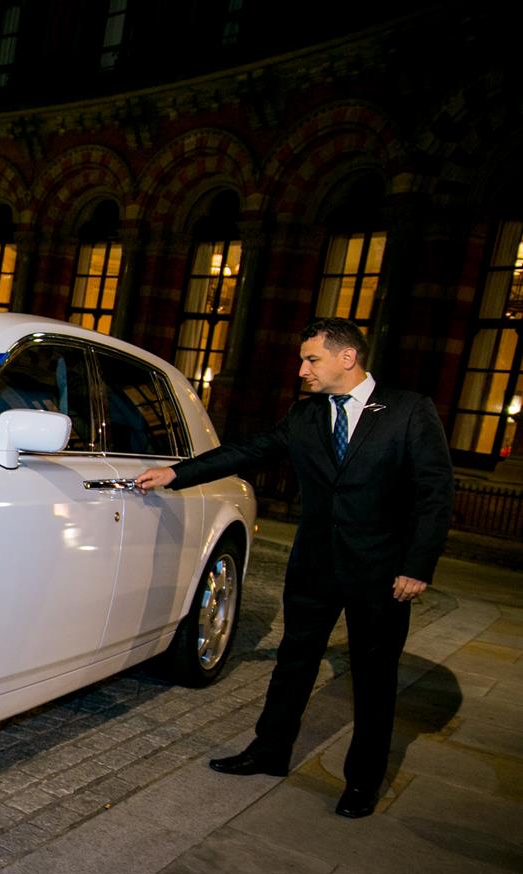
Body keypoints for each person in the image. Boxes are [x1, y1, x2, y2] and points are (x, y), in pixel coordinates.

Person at [134, 317, 452, 819]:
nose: (301, 369)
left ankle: (362, 782)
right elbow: (249, 450)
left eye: (311, 359)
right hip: (315, 567)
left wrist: (417, 566)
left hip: (382, 572)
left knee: (374, 677)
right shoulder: (306, 415)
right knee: (294, 662)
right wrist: (177, 473)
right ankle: (270, 751)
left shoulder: (409, 411)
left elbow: (435, 494)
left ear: (346, 358)